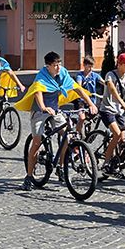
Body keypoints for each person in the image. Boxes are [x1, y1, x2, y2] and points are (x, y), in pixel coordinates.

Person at [16, 51, 96, 191]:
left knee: (67, 136)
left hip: (55, 109)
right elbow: (38, 93)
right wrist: (43, 107)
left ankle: (60, 166)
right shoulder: (41, 76)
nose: (58, 67)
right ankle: (28, 177)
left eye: (59, 64)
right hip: (40, 111)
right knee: (36, 141)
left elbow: (78, 89)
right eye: (55, 65)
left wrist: (91, 104)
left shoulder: (62, 73)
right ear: (48, 66)